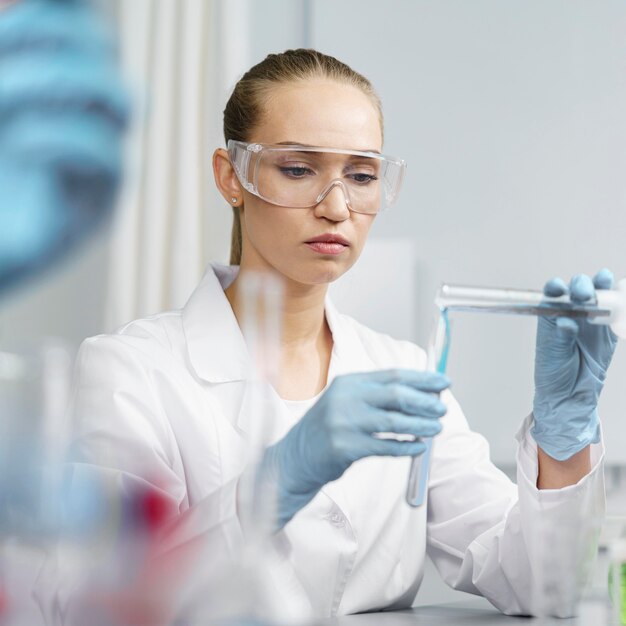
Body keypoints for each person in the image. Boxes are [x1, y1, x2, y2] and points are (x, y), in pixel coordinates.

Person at [58, 49, 616, 620]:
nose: (336, 206)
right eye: (298, 169)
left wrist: (564, 435)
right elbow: (96, 603)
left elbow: (537, 584)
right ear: (232, 177)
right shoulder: (131, 370)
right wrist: (276, 480)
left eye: (362, 175)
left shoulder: (405, 374)